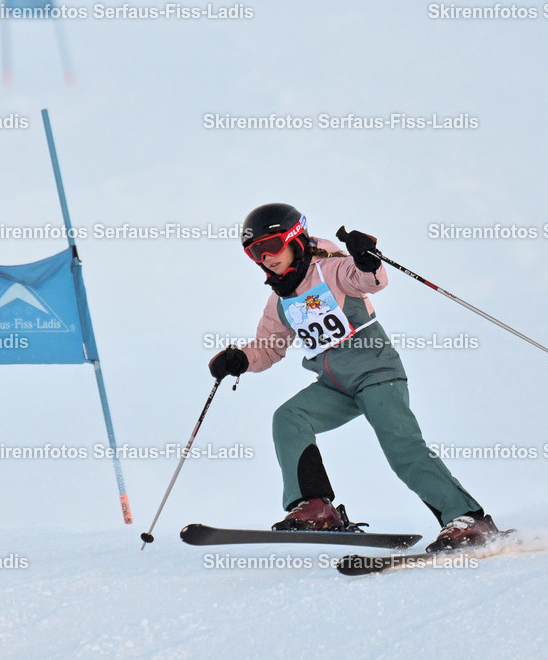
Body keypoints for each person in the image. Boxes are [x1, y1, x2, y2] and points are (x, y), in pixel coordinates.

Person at [208, 203, 500, 552]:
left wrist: (367, 261)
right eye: (256, 251)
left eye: (272, 246)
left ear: (294, 239)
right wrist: (241, 359)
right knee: (289, 418)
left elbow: (368, 280)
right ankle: (316, 507)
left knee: (401, 448)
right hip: (335, 387)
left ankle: (467, 518)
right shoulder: (279, 301)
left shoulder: (332, 268)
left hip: (376, 374)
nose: (266, 257)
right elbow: (268, 348)